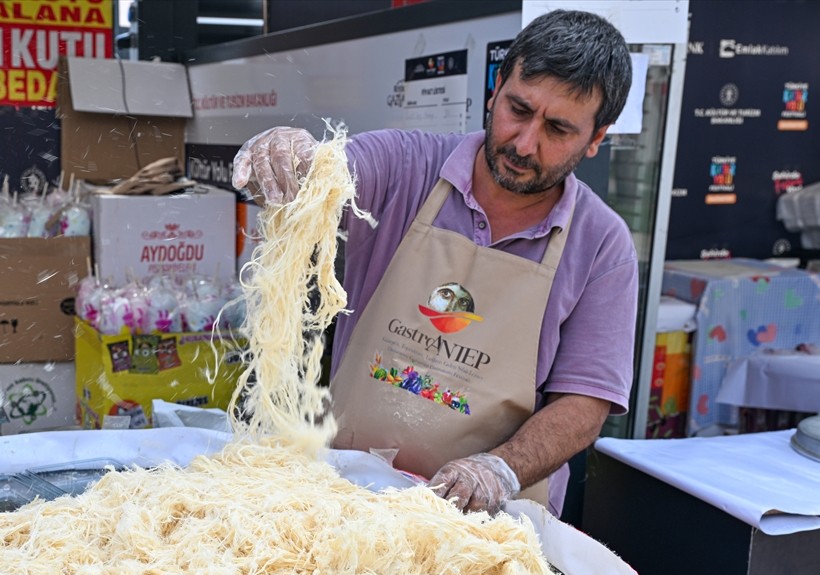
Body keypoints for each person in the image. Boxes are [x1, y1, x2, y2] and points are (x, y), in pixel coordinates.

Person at [231, 9, 638, 518]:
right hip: (343, 497)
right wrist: (290, 159)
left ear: (596, 139)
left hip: (489, 526)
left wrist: (498, 469)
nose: (525, 142)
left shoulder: (602, 245)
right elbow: (326, 173)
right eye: (518, 109)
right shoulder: (406, 167)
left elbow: (584, 405)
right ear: (495, 91)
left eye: (558, 129)